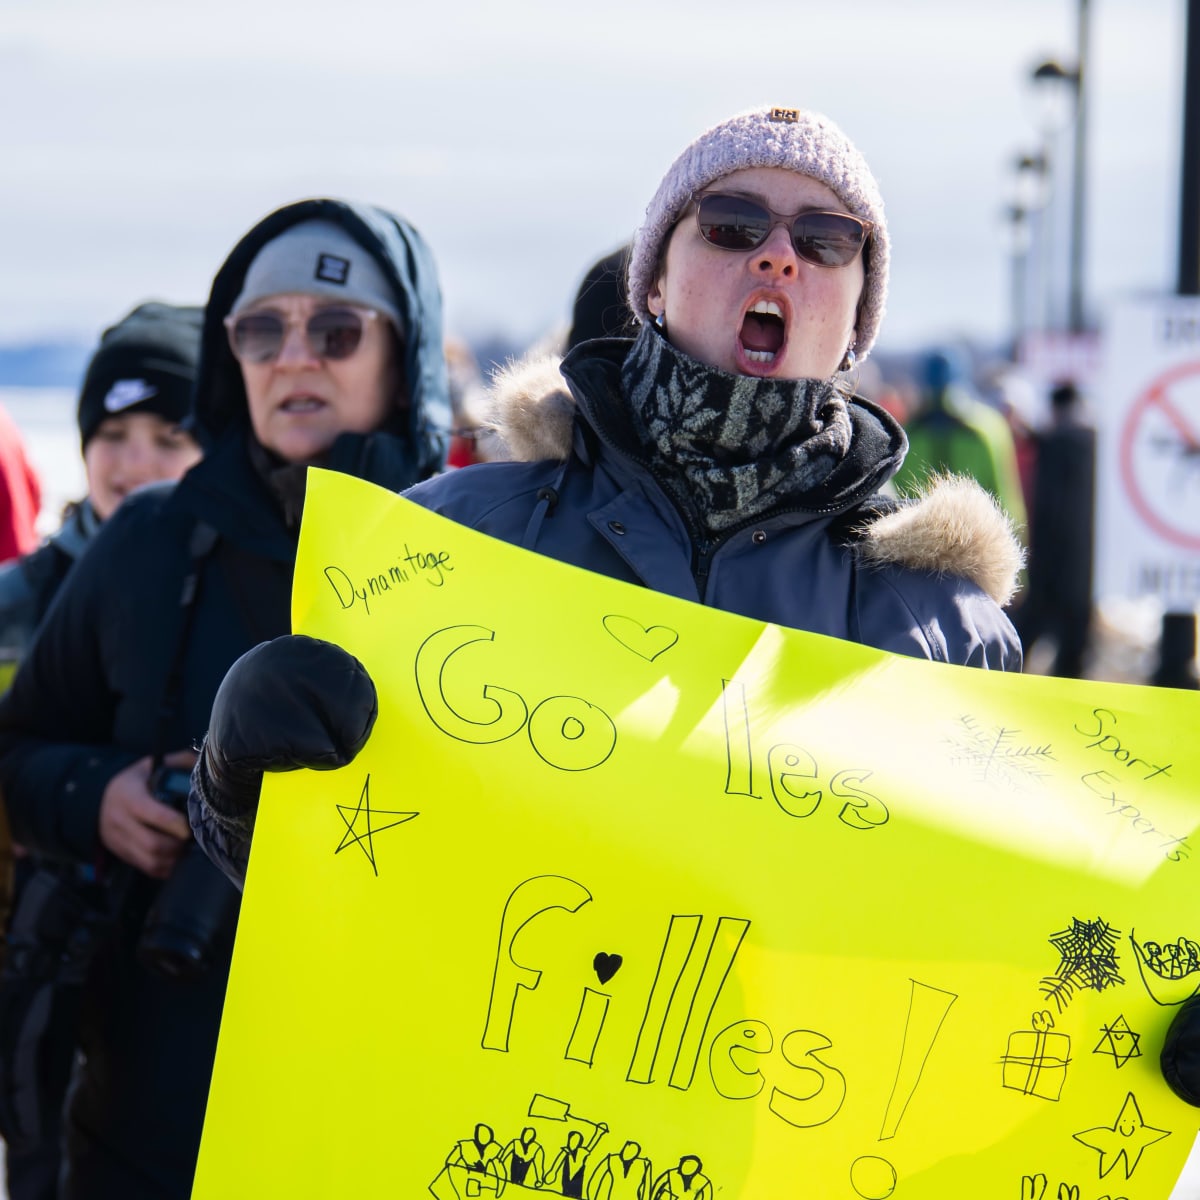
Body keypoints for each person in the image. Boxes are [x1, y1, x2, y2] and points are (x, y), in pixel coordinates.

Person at [188, 104, 1024, 885]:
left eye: (827, 240)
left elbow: (1008, 914)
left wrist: (1143, 1016)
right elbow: (320, 875)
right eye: (731, 225)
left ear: (857, 320)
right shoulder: (452, 540)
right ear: (653, 282)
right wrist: (236, 780)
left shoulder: (941, 628)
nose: (778, 257)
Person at [0, 198, 449, 1198]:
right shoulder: (149, 540)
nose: (295, 356)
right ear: (228, 353)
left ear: (402, 350)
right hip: (153, 1099)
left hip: (387, 1103)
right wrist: (100, 798)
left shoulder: (481, 548)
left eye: (336, 331)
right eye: (260, 329)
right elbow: (17, 750)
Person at [0, 301, 203, 1200]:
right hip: (29, 961)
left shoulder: (221, 593)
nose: (136, 461)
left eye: (168, 433)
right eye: (113, 432)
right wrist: (86, 792)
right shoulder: (17, 602)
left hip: (151, 985)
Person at [890, 347, 1028, 536]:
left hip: (927, 549)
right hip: (971, 548)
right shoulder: (988, 429)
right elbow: (1006, 504)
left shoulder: (906, 434)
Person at [1011, 379, 1097, 678]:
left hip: (1047, 558)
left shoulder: (1052, 443)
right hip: (1084, 563)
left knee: (1024, 640)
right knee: (1073, 654)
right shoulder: (1094, 442)